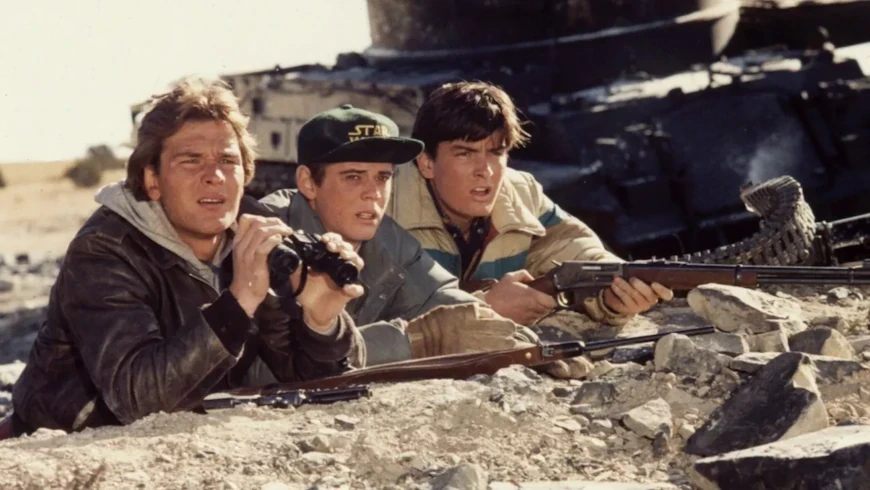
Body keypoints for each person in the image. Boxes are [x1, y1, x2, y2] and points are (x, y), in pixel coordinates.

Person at [1, 79, 365, 438]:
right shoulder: (104, 250)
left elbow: (312, 384)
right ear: (152, 180)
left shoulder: (250, 230)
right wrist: (239, 301)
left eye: (228, 160)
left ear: (246, 174)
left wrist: (321, 322)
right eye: (191, 161)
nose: (214, 176)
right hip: (64, 441)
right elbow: (136, 401)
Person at [244, 104, 526, 367]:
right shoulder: (266, 238)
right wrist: (414, 340)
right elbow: (266, 368)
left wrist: (524, 343)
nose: (374, 193)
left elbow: (450, 304)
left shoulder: (390, 240)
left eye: (383, 177)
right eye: (354, 177)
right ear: (308, 182)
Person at [387, 81, 674, 327]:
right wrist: (485, 309)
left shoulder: (520, 192)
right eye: (465, 154)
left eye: (496, 153)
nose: (485, 171)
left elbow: (577, 250)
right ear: (427, 163)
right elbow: (374, 326)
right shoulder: (383, 207)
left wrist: (613, 296)